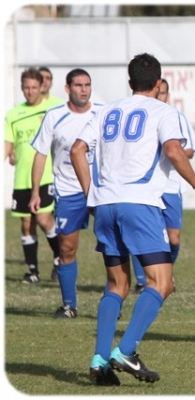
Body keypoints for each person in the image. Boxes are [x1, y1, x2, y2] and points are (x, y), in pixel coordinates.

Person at [70, 53, 195, 385]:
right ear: (158, 83)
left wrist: (91, 194)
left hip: (105, 204)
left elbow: (77, 150)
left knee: (117, 285)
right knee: (162, 283)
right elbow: (174, 150)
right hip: (139, 204)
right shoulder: (164, 111)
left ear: (130, 82)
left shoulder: (106, 110)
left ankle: (100, 359)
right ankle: (125, 351)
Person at [29, 68, 101, 318]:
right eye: (78, 85)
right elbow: (40, 154)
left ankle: (112, 303)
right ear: (68, 89)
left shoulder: (102, 113)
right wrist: (36, 192)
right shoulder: (54, 116)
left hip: (101, 191)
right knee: (67, 248)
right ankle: (69, 305)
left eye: (87, 85)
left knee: (112, 246)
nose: (84, 89)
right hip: (69, 192)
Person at [131, 77, 195, 293]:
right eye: (158, 93)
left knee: (173, 238)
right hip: (146, 186)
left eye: (164, 93)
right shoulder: (140, 115)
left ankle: (165, 274)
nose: (160, 97)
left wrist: (170, 149)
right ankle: (143, 280)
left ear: (167, 94)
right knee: (141, 234)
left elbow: (189, 150)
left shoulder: (176, 117)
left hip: (171, 185)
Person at [4, 67, 61, 283]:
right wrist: (9, 153)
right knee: (26, 224)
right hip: (22, 178)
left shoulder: (53, 109)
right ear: (22, 88)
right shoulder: (13, 114)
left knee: (44, 219)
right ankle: (33, 271)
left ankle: (60, 258)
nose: (30, 91)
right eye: (26, 88)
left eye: (34, 87)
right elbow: (8, 144)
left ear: (41, 87)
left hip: (46, 176)